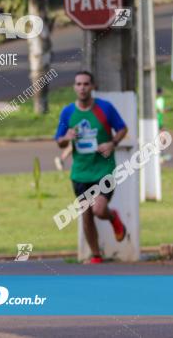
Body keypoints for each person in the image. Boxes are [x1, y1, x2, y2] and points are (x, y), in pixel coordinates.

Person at [54, 70, 129, 264]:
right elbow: (59, 141)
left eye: (86, 84)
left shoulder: (105, 108)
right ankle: (96, 256)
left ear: (93, 87)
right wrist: (66, 138)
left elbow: (122, 128)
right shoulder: (68, 112)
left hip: (104, 169)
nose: (82, 88)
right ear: (74, 87)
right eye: (78, 84)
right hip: (80, 172)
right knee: (86, 215)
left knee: (98, 209)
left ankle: (113, 217)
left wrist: (112, 143)